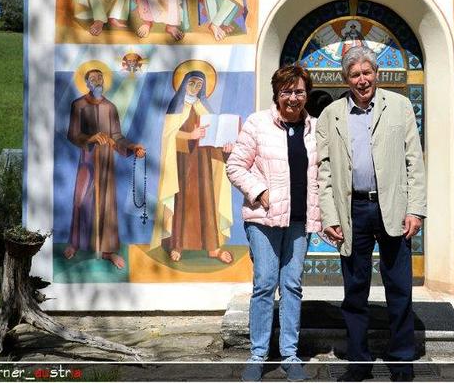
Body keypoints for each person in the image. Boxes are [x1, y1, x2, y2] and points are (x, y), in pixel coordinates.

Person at [317, 46, 426, 381]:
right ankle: (359, 361)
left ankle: (402, 358)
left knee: (399, 288)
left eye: (367, 73)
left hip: (392, 207)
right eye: (354, 75)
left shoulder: (400, 106)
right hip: (353, 211)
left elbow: (414, 161)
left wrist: (416, 209)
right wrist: (329, 216)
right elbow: (324, 170)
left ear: (376, 74)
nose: (362, 80)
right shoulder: (331, 114)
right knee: (355, 291)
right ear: (345, 78)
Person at [226, 65, 320, 382]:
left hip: (299, 220)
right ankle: (258, 355)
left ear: (307, 94)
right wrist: (259, 191)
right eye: (286, 92)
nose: (293, 98)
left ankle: (290, 355)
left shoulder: (315, 129)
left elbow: (323, 174)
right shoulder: (257, 124)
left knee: (292, 286)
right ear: (277, 94)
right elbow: (235, 166)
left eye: (299, 91)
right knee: (265, 284)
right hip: (263, 219)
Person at [151, 67, 235, 264]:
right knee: (182, 203)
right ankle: (177, 245)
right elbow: (168, 137)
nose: (195, 87)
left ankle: (213, 247)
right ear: (183, 84)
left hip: (204, 165)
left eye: (199, 85)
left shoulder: (204, 108)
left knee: (208, 202)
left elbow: (214, 135)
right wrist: (190, 135)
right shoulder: (176, 107)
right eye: (192, 83)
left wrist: (225, 146)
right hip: (182, 165)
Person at [65, 67, 145, 269]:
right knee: (81, 200)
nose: (97, 81)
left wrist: (132, 147)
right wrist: (91, 138)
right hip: (88, 160)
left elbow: (117, 137)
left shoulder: (110, 107)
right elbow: (73, 134)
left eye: (100, 77)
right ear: (86, 83)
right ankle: (75, 244)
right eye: (93, 78)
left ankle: (108, 251)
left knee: (106, 204)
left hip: (106, 162)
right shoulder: (79, 105)